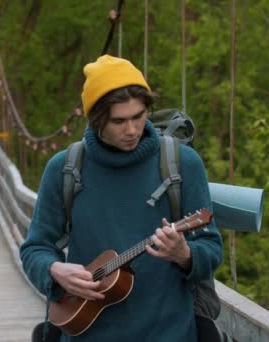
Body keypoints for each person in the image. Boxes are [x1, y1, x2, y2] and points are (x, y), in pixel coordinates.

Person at [20, 55, 223, 342]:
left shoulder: (182, 164)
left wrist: (185, 255)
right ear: (96, 119)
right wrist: (53, 271)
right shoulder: (65, 169)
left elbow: (211, 247)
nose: (131, 130)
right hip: (85, 333)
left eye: (138, 116)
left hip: (170, 334)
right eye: (119, 121)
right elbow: (34, 249)